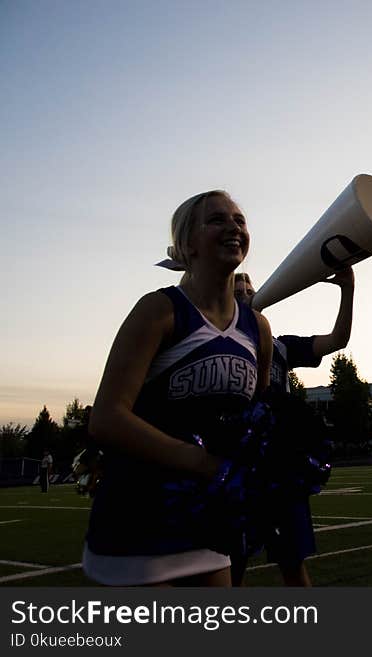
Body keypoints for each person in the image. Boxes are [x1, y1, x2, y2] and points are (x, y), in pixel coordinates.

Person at [83, 190, 273, 586]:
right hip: (139, 519)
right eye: (217, 220)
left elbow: (256, 420)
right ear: (188, 244)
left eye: (239, 220)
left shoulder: (258, 328)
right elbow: (107, 418)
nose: (234, 227)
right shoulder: (159, 310)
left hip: (210, 522)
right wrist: (202, 462)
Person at [232, 267, 355, 586]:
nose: (243, 288)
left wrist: (347, 289)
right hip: (234, 465)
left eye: (247, 283)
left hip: (277, 467)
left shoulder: (281, 346)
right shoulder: (215, 342)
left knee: (292, 561)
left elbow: (337, 340)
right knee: (230, 565)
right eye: (235, 283)